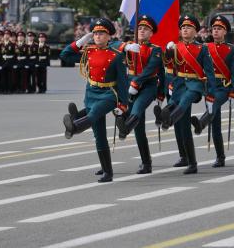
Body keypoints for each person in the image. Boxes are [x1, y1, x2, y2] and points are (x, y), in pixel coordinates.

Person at [60, 18, 128, 183]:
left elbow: (123, 82)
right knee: (99, 135)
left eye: (101, 33)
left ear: (108, 36)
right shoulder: (88, 51)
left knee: (96, 112)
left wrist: (123, 104)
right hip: (91, 92)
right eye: (95, 33)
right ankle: (107, 171)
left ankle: (75, 126)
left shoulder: (116, 55)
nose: (97, 36)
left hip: (108, 93)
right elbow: (65, 55)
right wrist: (81, 41)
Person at [158, 14, 216, 174]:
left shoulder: (202, 49)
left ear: (196, 31)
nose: (185, 29)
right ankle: (192, 162)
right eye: (183, 27)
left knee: (184, 102)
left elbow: (209, 73)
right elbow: (169, 67)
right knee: (183, 126)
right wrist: (168, 55)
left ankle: (167, 119)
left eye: (188, 27)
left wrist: (210, 95)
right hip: (178, 83)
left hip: (195, 85)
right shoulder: (176, 47)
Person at [115, 15, 163, 174]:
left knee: (137, 109)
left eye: (146, 29)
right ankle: (146, 162)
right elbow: (111, 46)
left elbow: (152, 68)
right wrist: (125, 47)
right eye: (140, 28)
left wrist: (137, 82)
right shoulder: (130, 45)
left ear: (151, 33)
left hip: (147, 86)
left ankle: (125, 128)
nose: (142, 31)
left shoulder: (155, 49)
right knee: (139, 129)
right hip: (129, 86)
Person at [191, 14, 234, 167]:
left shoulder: (232, 49)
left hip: (223, 88)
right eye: (214, 29)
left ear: (225, 32)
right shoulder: (205, 48)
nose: (216, 31)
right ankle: (220, 156)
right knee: (216, 124)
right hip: (209, 87)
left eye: (219, 29)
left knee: (215, 103)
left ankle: (200, 124)